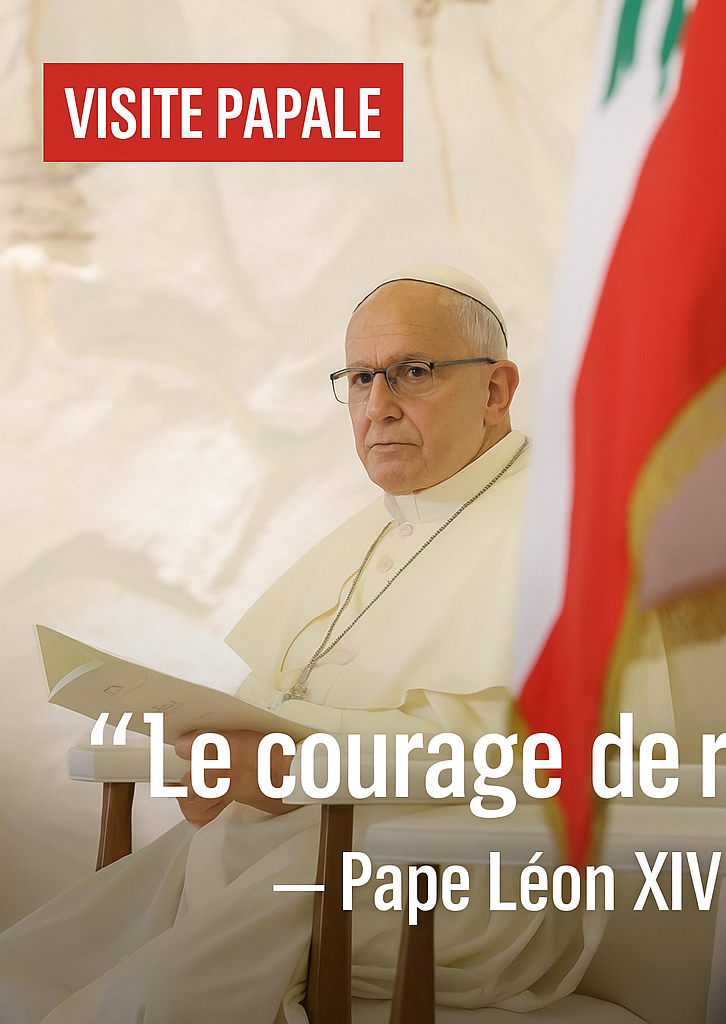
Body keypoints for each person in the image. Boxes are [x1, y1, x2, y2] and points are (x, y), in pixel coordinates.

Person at [0, 267, 630, 1024]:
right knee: (32, 971)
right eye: (361, 378)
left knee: (137, 999)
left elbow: (523, 757)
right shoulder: (381, 531)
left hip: (462, 875)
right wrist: (221, 760)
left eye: (413, 372)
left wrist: (289, 762)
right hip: (297, 840)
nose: (378, 405)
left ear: (496, 390)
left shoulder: (563, 531)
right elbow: (277, 706)